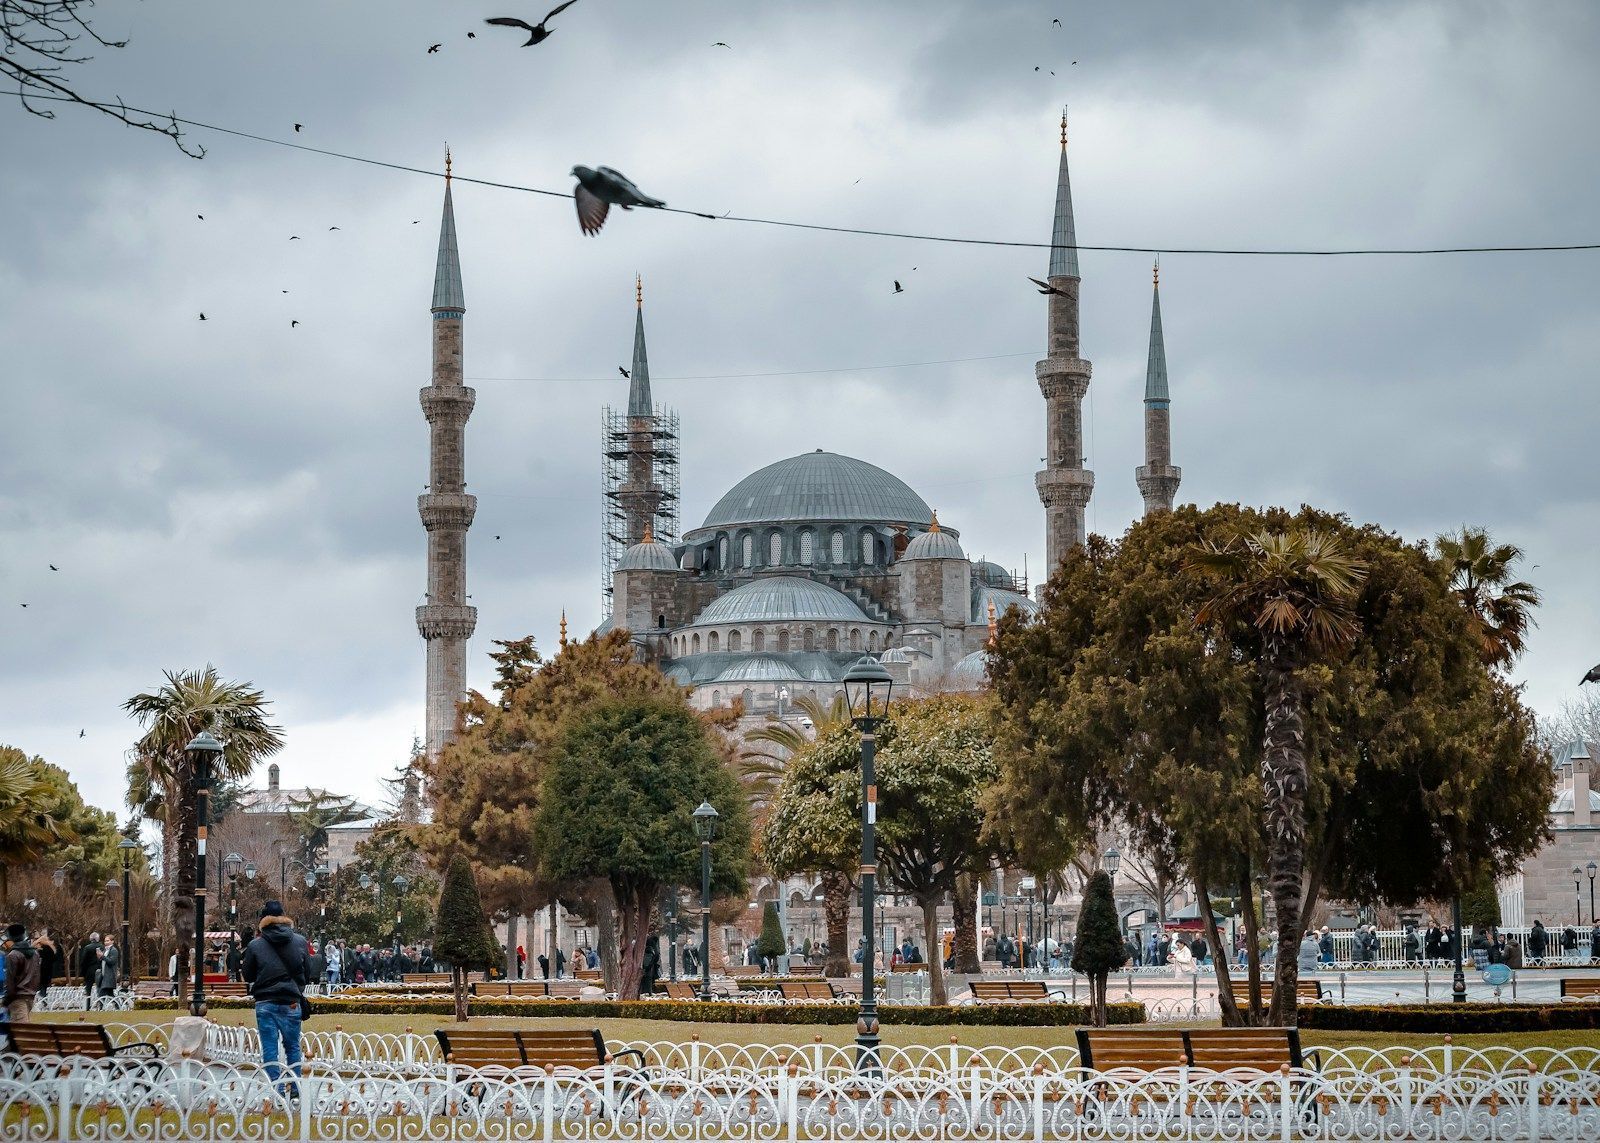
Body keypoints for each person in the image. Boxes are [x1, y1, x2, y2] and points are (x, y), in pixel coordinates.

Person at [243, 901, 311, 1099]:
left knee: (270, 1048)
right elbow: (307, 972)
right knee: (293, 1046)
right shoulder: (299, 941)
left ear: (263, 921)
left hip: (266, 1002)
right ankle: (296, 1087)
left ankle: (277, 1088)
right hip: (290, 1001)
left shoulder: (255, 945)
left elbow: (247, 975)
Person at [3, 923, 42, 1022]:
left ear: (10, 937)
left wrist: (7, 1000)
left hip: (17, 997)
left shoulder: (13, 955)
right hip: (30, 995)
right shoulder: (35, 954)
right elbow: (36, 976)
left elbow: (10, 980)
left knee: (20, 1031)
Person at [33, 928, 58, 1000]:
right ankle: (42, 998)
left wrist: (46, 942)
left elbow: (54, 955)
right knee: (42, 985)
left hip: (45, 969)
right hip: (42, 968)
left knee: (43, 985)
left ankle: (43, 999)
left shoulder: (49, 946)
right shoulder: (41, 945)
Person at [78, 932, 101, 1006]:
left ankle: (88, 1005)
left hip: (89, 970)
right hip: (99, 969)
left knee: (88, 989)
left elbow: (83, 960)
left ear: (90, 939)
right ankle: (100, 1004)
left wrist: (83, 971)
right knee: (99, 988)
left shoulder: (87, 947)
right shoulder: (102, 946)